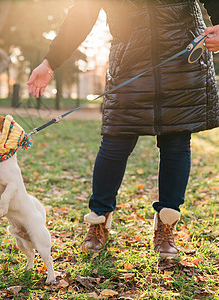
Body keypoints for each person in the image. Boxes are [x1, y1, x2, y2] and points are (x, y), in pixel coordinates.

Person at [27, 0, 219, 258]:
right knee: (114, 144)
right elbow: (81, 15)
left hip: (182, 63)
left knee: (176, 143)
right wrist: (51, 61)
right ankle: (98, 222)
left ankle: (166, 225)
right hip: (130, 65)